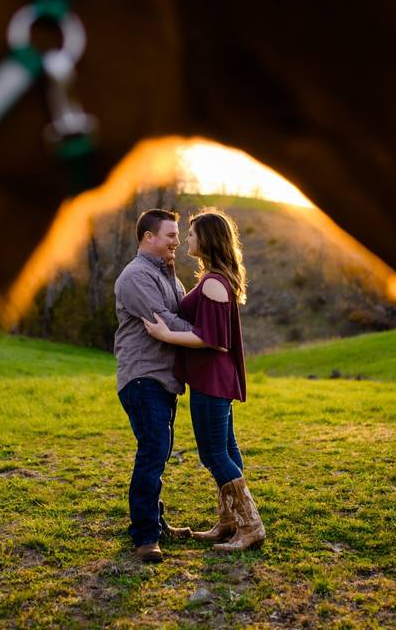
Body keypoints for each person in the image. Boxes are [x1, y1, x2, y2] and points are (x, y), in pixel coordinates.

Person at [143, 208, 265, 551]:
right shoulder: (216, 279)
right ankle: (229, 523)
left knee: (214, 454)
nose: (186, 240)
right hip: (215, 379)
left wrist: (165, 334)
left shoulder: (213, 283)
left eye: (193, 234)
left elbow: (213, 339)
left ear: (207, 240)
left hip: (211, 381)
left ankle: (250, 525)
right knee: (226, 449)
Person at [113, 208, 194, 563]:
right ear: (148, 237)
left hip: (164, 380)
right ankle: (146, 536)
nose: (177, 241)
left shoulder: (172, 279)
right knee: (153, 449)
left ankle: (156, 524)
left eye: (178, 236)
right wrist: (208, 336)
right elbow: (167, 321)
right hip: (142, 376)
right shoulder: (135, 277)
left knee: (158, 452)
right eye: (171, 235)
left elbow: (182, 315)